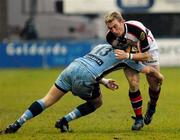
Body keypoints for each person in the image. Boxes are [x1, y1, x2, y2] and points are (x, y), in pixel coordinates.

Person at [0, 44, 163, 134]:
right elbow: (148, 71)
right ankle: (64, 121)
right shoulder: (126, 58)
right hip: (86, 76)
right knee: (97, 102)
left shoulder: (101, 46)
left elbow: (91, 64)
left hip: (72, 67)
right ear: (131, 48)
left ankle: (16, 124)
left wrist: (104, 81)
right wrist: (159, 76)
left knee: (46, 100)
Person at [105, 11, 163, 130]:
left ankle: (152, 106)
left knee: (155, 84)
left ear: (122, 21)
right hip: (129, 53)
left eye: (115, 26)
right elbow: (121, 53)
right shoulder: (110, 37)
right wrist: (128, 55)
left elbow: (146, 55)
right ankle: (138, 119)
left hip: (149, 51)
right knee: (133, 82)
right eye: (110, 28)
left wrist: (128, 56)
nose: (114, 31)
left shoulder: (137, 30)